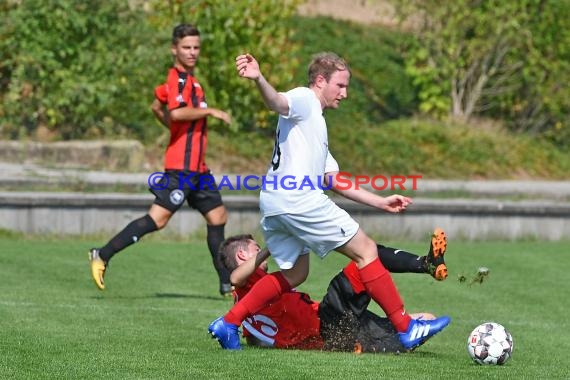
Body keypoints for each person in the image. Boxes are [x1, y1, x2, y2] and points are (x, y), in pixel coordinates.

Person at [208, 52, 450, 349]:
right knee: (366, 250)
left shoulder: (314, 128)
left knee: (296, 273)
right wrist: (258, 78)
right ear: (321, 81)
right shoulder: (306, 100)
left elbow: (333, 179)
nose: (345, 93)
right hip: (298, 199)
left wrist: (380, 201)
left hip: (274, 203)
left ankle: (229, 322)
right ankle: (405, 325)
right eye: (341, 85)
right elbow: (277, 102)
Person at [89, 23, 234, 296]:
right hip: (181, 168)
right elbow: (177, 113)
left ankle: (228, 283)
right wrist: (210, 112)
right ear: (174, 49)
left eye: (196, 47)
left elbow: (157, 104)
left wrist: (170, 125)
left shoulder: (191, 81)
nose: (192, 52)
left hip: (199, 170)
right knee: (158, 219)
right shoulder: (178, 79)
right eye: (186, 47)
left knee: (218, 217)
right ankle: (102, 254)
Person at [215, 229, 448, 353]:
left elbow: (259, 341)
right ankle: (425, 263)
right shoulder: (248, 283)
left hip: (335, 335)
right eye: (254, 247)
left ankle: (427, 263)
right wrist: (268, 249)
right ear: (243, 255)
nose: (260, 251)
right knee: (366, 254)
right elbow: (236, 277)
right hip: (328, 321)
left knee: (426, 318)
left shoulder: (245, 315)